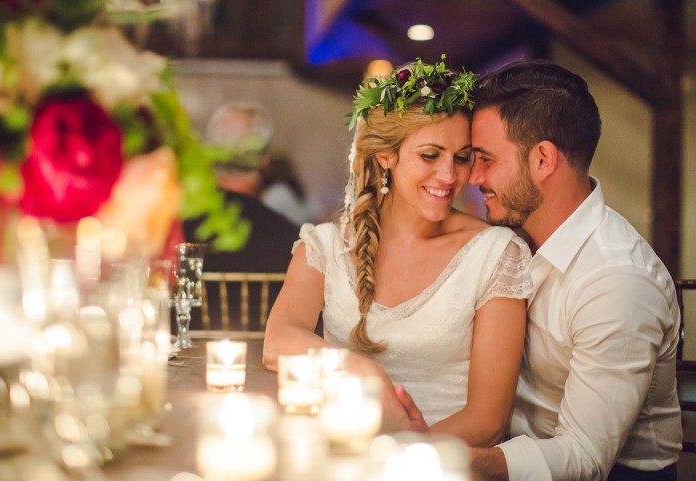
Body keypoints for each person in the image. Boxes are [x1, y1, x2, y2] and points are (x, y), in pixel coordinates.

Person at [397, 60, 683, 481]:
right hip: (506, 452)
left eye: (486, 159)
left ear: (543, 159)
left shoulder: (617, 282)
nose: (471, 176)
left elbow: (585, 456)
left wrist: (437, 459)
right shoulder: (509, 239)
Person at [263, 56, 533, 444]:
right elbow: (277, 341)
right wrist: (363, 370)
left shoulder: (495, 254)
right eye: (430, 155)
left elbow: (488, 420)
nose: (449, 176)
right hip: (339, 453)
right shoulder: (326, 245)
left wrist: (397, 459)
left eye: (461, 158)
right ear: (387, 156)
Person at [182, 101, 300, 329]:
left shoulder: (174, 231)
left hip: (179, 356)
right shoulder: (292, 240)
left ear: (209, 156)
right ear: (264, 162)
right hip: (266, 355)